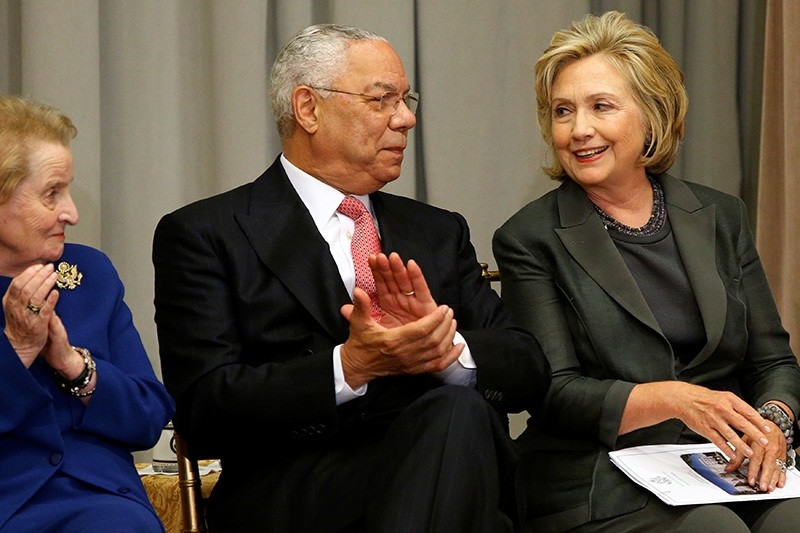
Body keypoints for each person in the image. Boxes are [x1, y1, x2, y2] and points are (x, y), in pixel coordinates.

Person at [153, 23, 550, 533]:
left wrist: (445, 347)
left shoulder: (437, 231)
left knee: (455, 413)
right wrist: (351, 366)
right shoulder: (208, 233)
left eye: (407, 100)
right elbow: (204, 411)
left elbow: (528, 368)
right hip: (299, 491)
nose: (406, 119)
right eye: (382, 100)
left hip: (449, 461)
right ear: (308, 108)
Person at [492, 10, 800, 533]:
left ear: (652, 114)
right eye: (562, 111)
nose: (578, 129)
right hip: (598, 474)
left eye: (601, 106)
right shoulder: (529, 237)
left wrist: (770, 423)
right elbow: (554, 394)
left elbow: (773, 361)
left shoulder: (721, 216)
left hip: (722, 463)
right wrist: (672, 400)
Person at [0, 95, 175, 532]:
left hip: (103, 501)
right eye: (52, 193)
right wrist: (18, 349)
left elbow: (149, 417)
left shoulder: (90, 273)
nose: (72, 213)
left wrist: (72, 365)